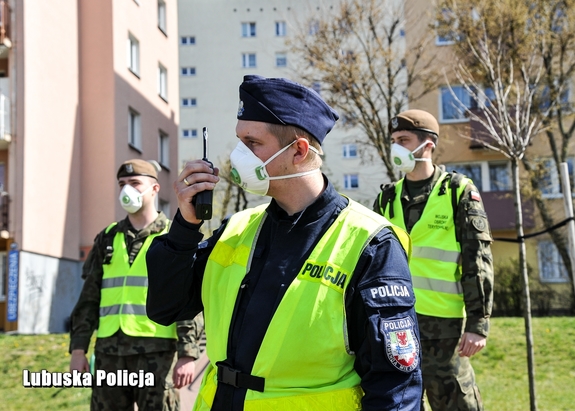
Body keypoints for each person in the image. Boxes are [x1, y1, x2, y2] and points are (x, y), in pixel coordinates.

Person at [145, 75, 423, 411]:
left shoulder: (371, 242)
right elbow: (166, 308)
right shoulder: (237, 227)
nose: (237, 155)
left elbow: (395, 387)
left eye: (252, 143)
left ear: (299, 151)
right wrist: (185, 227)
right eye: (239, 141)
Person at [373, 109, 494, 411]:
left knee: (455, 402)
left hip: (445, 327)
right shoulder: (386, 198)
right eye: (393, 141)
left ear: (427, 144)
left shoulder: (457, 191)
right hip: (396, 321)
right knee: (400, 402)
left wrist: (478, 323)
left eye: (403, 140)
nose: (395, 147)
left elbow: (476, 258)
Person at [69, 159, 205, 411]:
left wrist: (187, 353)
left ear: (154, 189)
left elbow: (187, 298)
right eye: (122, 184)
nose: (126, 190)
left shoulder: (173, 236)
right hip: (110, 352)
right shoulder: (107, 237)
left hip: (157, 353)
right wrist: (78, 350)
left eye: (134, 183)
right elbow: (88, 299)